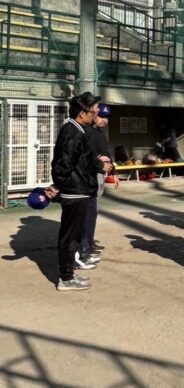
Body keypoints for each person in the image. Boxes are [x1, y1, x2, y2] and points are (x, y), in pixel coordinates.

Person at [50, 92, 109, 291]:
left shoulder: (78, 130)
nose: (96, 115)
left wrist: (101, 166)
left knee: (74, 236)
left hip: (80, 191)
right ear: (82, 113)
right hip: (75, 193)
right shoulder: (72, 133)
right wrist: (57, 185)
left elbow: (83, 160)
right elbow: (63, 165)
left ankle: (69, 274)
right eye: (94, 112)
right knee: (70, 237)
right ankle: (66, 279)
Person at [77, 102, 113, 270]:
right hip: (87, 178)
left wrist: (112, 171)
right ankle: (82, 251)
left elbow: (105, 154)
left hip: (97, 175)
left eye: (106, 117)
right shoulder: (85, 132)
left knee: (91, 213)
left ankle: (87, 248)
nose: (103, 120)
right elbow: (87, 156)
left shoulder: (99, 134)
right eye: (100, 116)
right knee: (87, 215)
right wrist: (99, 161)